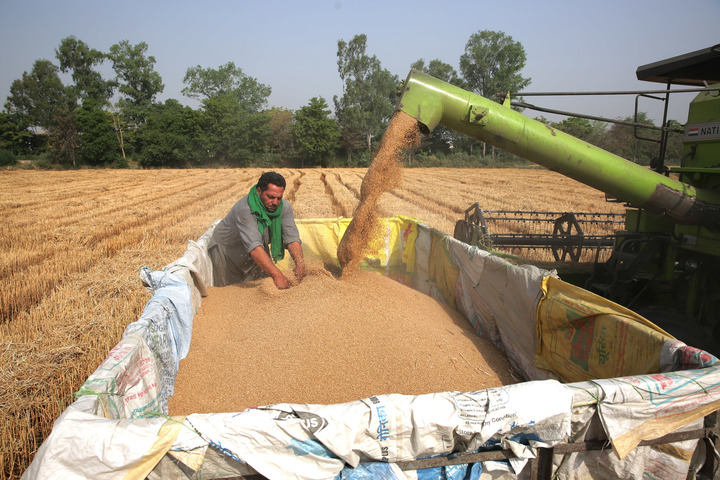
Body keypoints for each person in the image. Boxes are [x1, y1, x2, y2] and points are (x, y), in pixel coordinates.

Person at [208, 171, 305, 289]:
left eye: (279, 198)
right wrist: (278, 274)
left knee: (262, 286)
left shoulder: (284, 207)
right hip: (228, 253)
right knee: (232, 291)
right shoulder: (246, 210)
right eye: (270, 197)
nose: (275, 202)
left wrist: (300, 264)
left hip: (257, 249)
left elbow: (292, 238)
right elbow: (254, 248)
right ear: (259, 191)